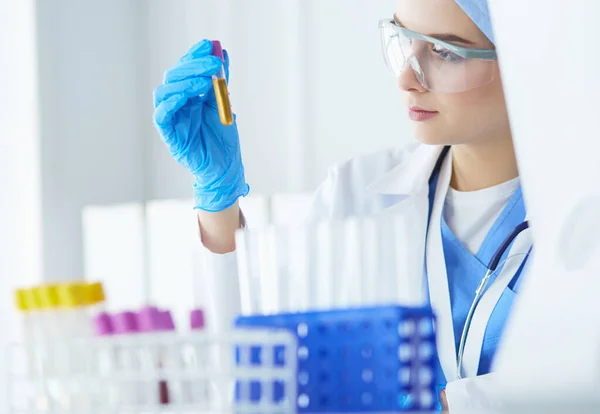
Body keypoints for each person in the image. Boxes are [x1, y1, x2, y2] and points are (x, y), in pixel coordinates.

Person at [153, 0, 532, 411]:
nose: (407, 78)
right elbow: (258, 383)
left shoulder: (582, 216)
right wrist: (218, 200)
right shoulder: (354, 195)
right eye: (404, 39)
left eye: (445, 52)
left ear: (525, 59)